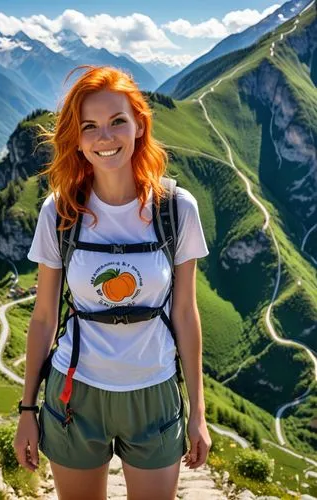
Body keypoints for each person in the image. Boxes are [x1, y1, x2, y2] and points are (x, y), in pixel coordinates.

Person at [13, 64, 211, 500]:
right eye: (90, 127)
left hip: (154, 393)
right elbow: (44, 316)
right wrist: (27, 410)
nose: (105, 138)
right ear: (77, 139)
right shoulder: (60, 212)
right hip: (73, 395)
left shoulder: (177, 210)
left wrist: (199, 411)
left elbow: (185, 312)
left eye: (117, 121)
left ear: (139, 123)